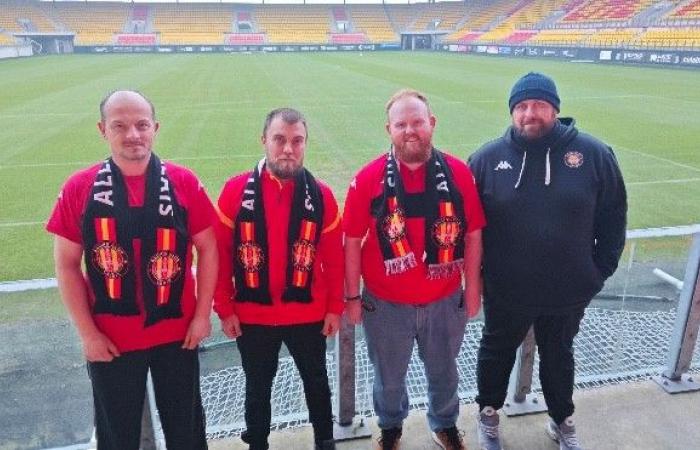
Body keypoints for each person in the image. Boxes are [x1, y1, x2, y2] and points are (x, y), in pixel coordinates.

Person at [47, 90, 218, 450]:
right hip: (112, 339)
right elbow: (65, 264)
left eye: (141, 125)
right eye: (120, 126)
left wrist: (203, 315)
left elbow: (209, 248)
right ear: (102, 130)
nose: (133, 135)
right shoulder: (80, 187)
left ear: (155, 128)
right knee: (117, 437)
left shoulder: (183, 181)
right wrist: (88, 334)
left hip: (178, 333)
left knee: (187, 432)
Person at [468, 72, 627, 450]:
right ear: (512, 112)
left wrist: (595, 273)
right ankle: (488, 415)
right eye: (521, 107)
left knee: (559, 356)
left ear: (554, 108)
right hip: (506, 290)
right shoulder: (487, 159)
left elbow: (614, 217)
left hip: (567, 290)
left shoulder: (593, 155)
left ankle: (562, 420)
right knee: (495, 351)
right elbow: (468, 228)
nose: (529, 114)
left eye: (538, 105)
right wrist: (481, 278)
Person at [344, 89, 486, 450]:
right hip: (386, 304)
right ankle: (391, 427)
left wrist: (472, 290)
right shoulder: (368, 178)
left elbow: (472, 234)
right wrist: (352, 297)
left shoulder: (458, 173)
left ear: (432, 124)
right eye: (401, 124)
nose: (411, 130)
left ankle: (445, 424)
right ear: (388, 129)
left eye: (418, 122)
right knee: (388, 378)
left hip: (444, 301)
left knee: (444, 373)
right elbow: (350, 241)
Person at [213, 108, 343, 450]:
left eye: (297, 141)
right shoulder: (235, 191)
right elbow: (220, 255)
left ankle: (325, 441)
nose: (288, 149)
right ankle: (257, 442)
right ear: (264, 141)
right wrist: (224, 308)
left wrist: (334, 308)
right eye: (279, 140)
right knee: (257, 385)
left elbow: (334, 259)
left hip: (308, 312)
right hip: (252, 314)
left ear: (305, 144)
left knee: (316, 381)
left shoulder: (322, 195)